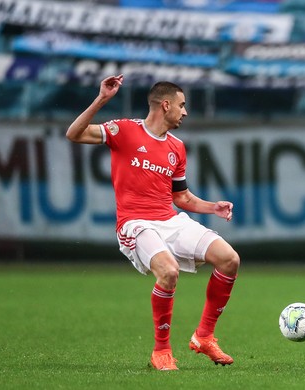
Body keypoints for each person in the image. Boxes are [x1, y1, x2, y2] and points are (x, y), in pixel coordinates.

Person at [66, 74, 240, 371]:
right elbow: (74, 134)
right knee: (169, 272)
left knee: (229, 259)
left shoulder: (177, 147)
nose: (185, 112)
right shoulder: (123, 130)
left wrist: (213, 207)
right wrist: (102, 99)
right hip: (135, 223)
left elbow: (182, 198)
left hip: (170, 220)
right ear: (166, 104)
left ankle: (204, 336)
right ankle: (161, 351)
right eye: (182, 106)